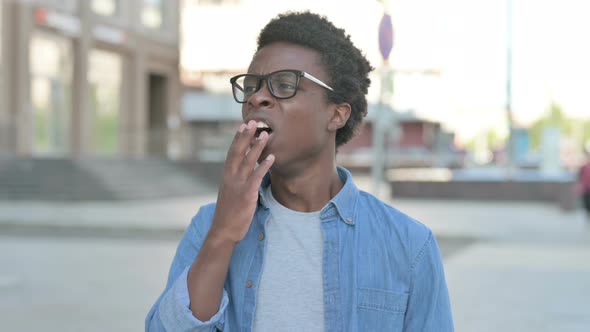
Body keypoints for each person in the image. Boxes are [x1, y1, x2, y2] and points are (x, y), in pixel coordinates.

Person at [146, 12, 453, 332]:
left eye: (284, 84)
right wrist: (222, 236)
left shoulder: (408, 245)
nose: (256, 97)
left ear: (336, 114)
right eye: (252, 86)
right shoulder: (209, 226)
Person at [578, 147, 590, 221]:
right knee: (586, 202)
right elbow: (580, 177)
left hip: (587, 187)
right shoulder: (583, 167)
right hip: (585, 188)